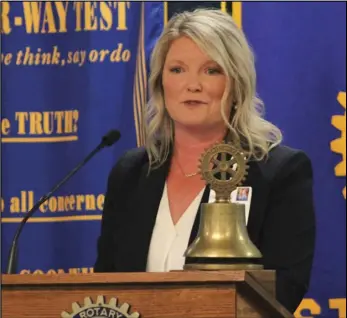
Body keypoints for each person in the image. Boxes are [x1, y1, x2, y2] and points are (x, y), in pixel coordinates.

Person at [94, 8, 316, 314]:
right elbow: (105, 285)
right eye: (177, 70)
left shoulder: (277, 172)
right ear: (160, 84)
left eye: (211, 70)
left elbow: (284, 289)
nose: (192, 84)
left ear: (236, 84)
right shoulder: (131, 173)